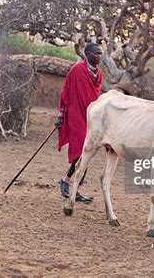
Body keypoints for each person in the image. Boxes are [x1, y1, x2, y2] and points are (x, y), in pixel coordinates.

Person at [56, 43, 103, 203]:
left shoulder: (99, 74)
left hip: (91, 117)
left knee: (87, 152)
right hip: (76, 115)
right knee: (82, 151)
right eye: (96, 54)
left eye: (101, 54)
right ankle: (70, 184)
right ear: (87, 53)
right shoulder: (76, 70)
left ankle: (68, 182)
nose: (99, 57)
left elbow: (96, 95)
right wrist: (60, 115)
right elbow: (65, 92)